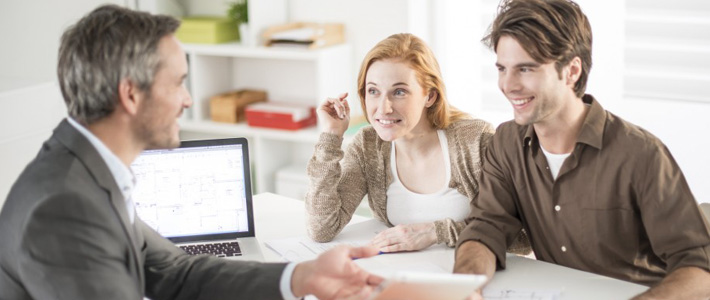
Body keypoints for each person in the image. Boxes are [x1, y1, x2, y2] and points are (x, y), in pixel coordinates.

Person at [0, 5, 382, 299]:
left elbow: (175, 272)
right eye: (179, 83)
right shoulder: (65, 207)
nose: (188, 99)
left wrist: (303, 276)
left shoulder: (91, 171)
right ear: (130, 94)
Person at [453, 0, 710, 299]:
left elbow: (699, 269)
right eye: (502, 68)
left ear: (571, 71)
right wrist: (464, 286)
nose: (508, 85)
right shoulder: (506, 143)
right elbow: (486, 228)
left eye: (525, 69)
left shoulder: (641, 154)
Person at [306, 33, 529, 254]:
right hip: (403, 275)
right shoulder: (368, 146)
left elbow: (522, 237)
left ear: (430, 96)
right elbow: (322, 228)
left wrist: (435, 233)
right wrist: (331, 137)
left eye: (399, 92)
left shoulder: (475, 140)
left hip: (474, 274)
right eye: (373, 91)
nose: (384, 108)